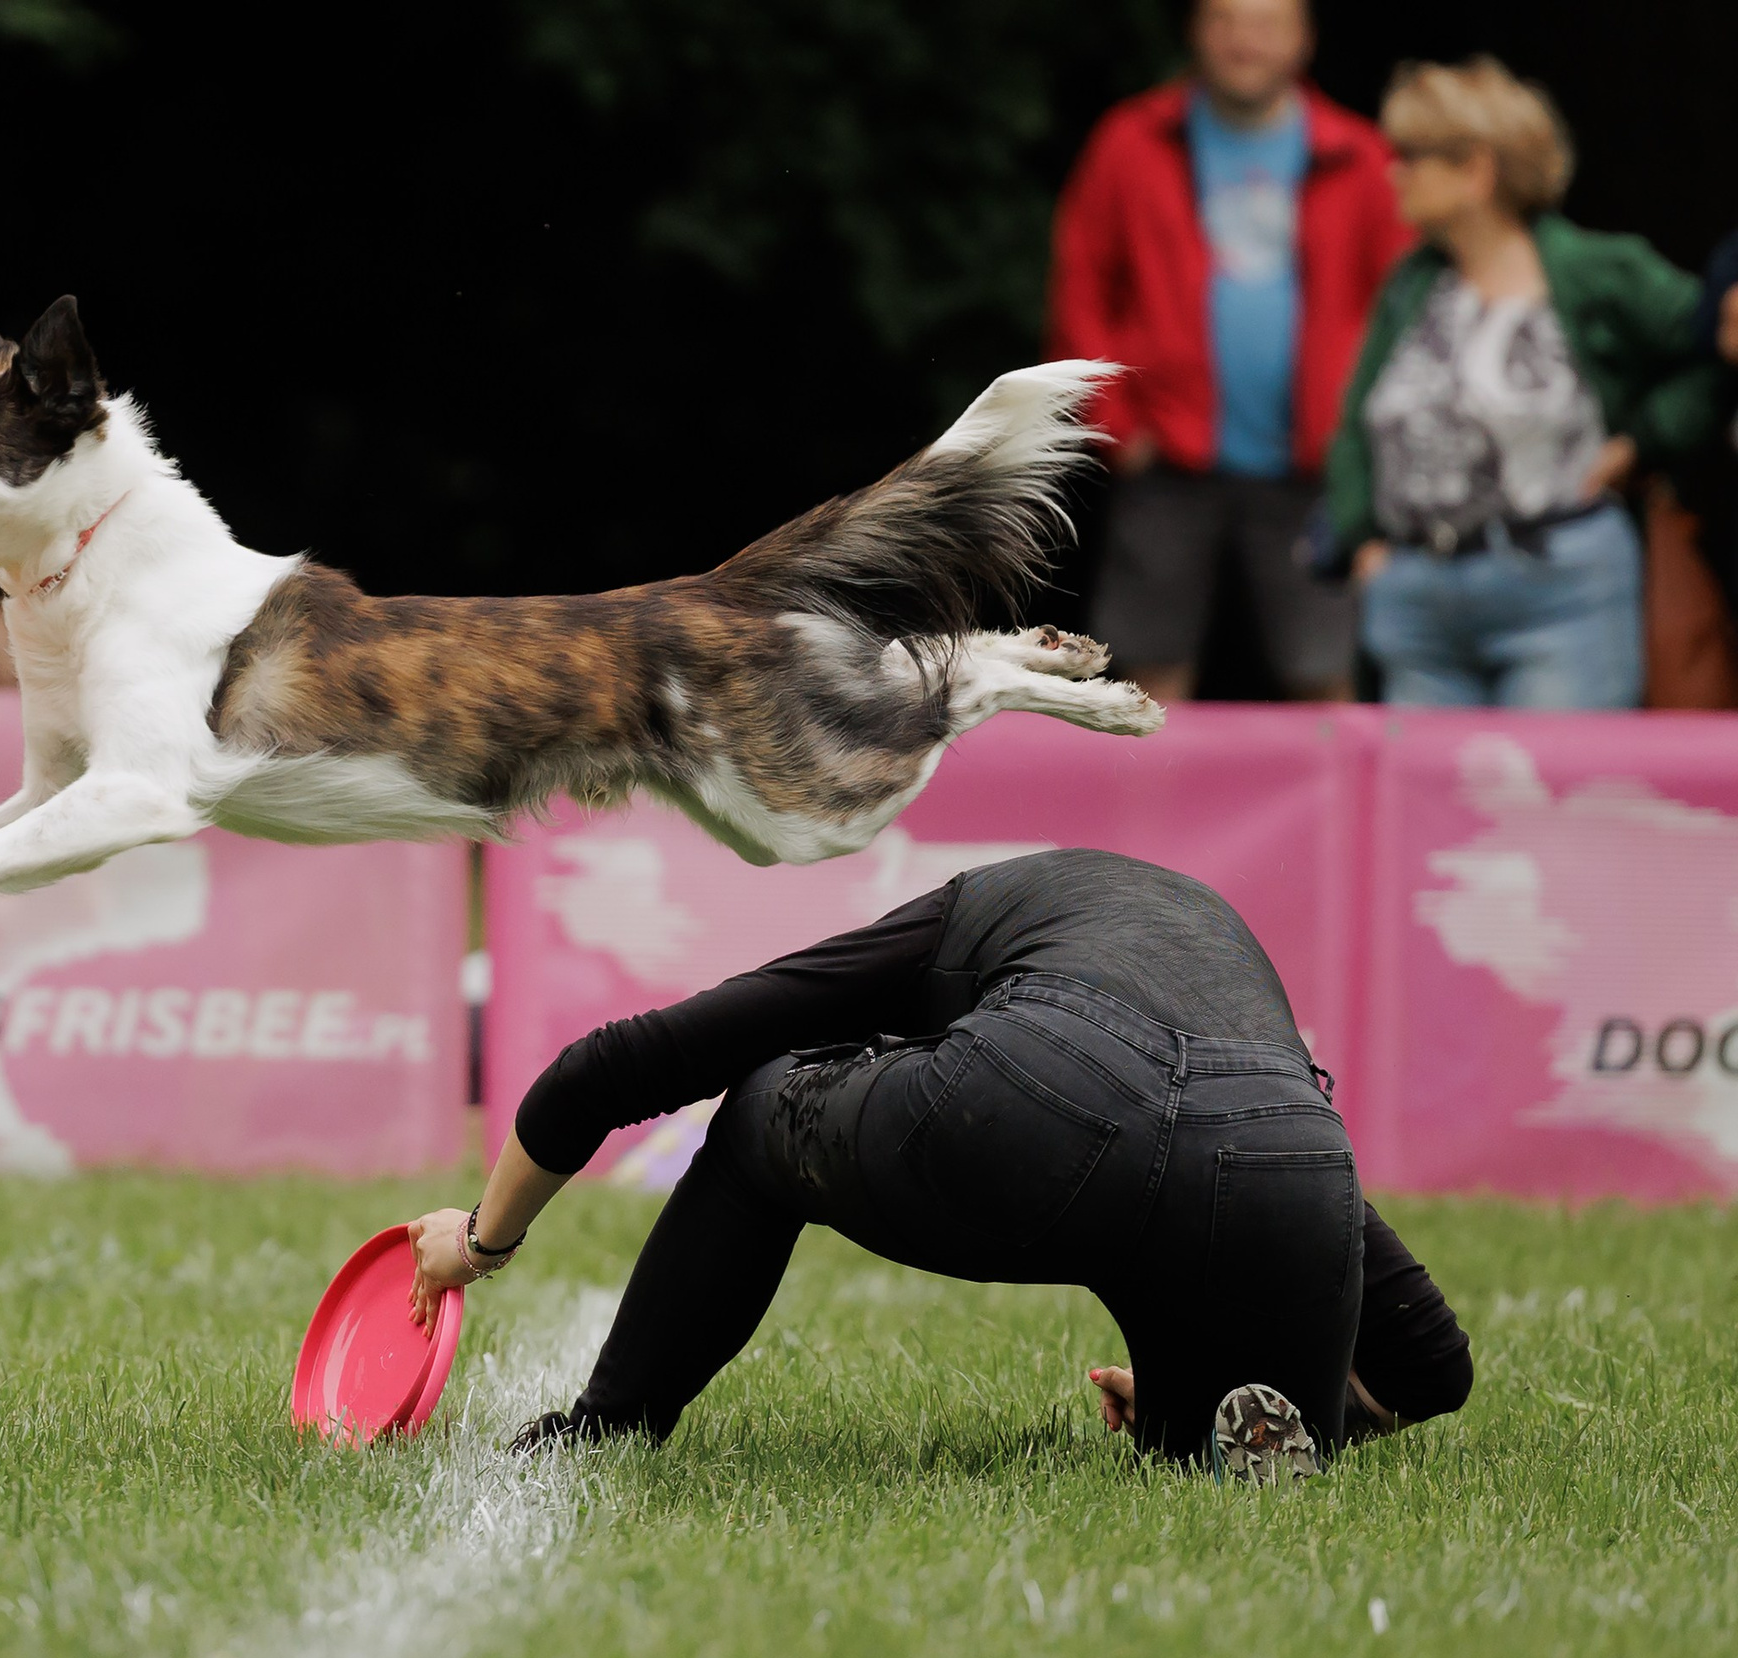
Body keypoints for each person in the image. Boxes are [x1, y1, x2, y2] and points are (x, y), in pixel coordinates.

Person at [409, 849, 1474, 1482]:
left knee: (761, 1107)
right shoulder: (1201, 952)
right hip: (1286, 1146)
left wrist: (481, 1238)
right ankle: (1240, 1420)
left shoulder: (961, 919)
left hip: (1041, 1099)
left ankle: (608, 1423)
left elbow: (621, 1064)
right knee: (1195, 1357)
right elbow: (1433, 1367)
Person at [1325, 59, 1718, 710]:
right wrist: (1361, 537)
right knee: (1428, 803)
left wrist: (1645, 440)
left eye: (1414, 156)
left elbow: (1715, 344)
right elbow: (1357, 423)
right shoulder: (1412, 285)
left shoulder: (1596, 271)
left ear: (1476, 171)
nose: (1394, 172)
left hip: (1559, 591)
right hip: (1420, 601)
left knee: (1546, 797)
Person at [1049, 0, 1405, 705]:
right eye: (1226, 19)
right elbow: (1080, 288)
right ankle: (1145, 820)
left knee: (1325, 679)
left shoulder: (1360, 156)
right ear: (1194, 30)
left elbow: (1400, 305)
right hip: (1167, 461)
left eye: (1267, 22)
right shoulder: (1132, 141)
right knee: (1144, 683)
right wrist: (1115, 425)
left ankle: (1333, 821)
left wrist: (1365, 435)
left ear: (1305, 37)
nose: (1245, 40)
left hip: (1312, 467)